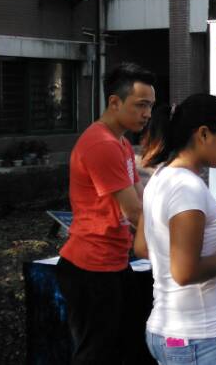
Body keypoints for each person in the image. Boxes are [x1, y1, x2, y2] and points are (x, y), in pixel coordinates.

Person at [133, 94, 216, 365]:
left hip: (173, 331)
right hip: (201, 338)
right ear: (203, 134)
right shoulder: (187, 188)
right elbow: (184, 272)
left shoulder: (160, 177)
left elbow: (141, 247)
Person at [56, 62, 157, 364]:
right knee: (96, 354)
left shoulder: (121, 143)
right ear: (114, 102)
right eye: (141, 105)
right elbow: (134, 212)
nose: (147, 114)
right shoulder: (101, 144)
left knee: (125, 348)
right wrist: (173, 248)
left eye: (150, 106)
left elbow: (142, 199)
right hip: (91, 266)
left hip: (114, 262)